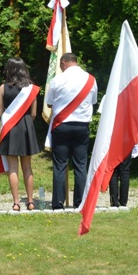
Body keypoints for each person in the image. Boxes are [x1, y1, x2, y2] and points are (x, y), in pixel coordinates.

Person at [44, 52, 97, 210]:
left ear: (64, 63)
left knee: (60, 165)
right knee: (80, 165)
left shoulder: (57, 80)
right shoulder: (91, 79)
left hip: (62, 125)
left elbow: (49, 103)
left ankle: (58, 203)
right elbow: (93, 101)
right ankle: (80, 202)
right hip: (81, 125)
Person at [0, 58, 40, 211]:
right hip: (26, 126)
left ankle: (16, 203)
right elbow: (33, 113)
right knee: (27, 167)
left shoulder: (3, 88)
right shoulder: (31, 88)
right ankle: (31, 202)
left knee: (13, 167)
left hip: (11, 127)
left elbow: (0, 112)